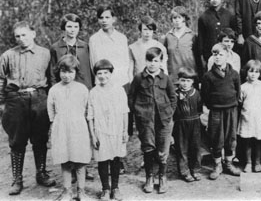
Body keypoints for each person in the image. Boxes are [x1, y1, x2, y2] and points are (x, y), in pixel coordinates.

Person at [0, 21, 55, 195]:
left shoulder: (45, 54)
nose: (21, 39)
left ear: (33, 34)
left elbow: (52, 78)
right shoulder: (8, 55)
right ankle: (17, 179)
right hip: (16, 100)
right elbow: (0, 80)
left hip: (39, 98)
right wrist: (2, 104)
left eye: (24, 35)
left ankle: (41, 172)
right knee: (17, 141)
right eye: (17, 36)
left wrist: (53, 102)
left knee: (40, 138)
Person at [129, 47, 176, 194]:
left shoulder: (165, 78)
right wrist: (139, 113)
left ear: (161, 62)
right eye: (150, 61)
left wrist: (168, 113)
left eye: (156, 61)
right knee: (148, 148)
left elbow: (173, 98)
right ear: (146, 61)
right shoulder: (138, 78)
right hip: (146, 120)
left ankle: (162, 177)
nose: (152, 64)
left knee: (163, 150)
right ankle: (149, 177)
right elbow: (131, 98)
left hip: (164, 120)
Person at [47, 55, 91, 200]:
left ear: (76, 72)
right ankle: (67, 191)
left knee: (80, 160)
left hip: (78, 127)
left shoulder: (82, 89)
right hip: (61, 127)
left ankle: (81, 191)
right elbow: (51, 110)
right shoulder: (54, 90)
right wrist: (54, 124)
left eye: (70, 72)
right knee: (65, 159)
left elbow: (87, 109)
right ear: (58, 71)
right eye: (63, 72)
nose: (66, 75)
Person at [88, 59, 129, 200]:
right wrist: (93, 136)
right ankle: (105, 188)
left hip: (116, 129)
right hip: (100, 131)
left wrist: (125, 131)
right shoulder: (93, 92)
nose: (102, 76)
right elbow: (90, 116)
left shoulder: (119, 90)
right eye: (99, 73)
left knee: (116, 159)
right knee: (102, 160)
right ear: (96, 75)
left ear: (111, 73)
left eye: (106, 72)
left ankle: (115, 188)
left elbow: (125, 111)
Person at [201, 43, 241, 180]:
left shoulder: (234, 74)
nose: (218, 57)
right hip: (216, 111)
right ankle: (218, 164)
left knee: (230, 137)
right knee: (217, 137)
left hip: (231, 110)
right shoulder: (208, 76)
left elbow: (238, 91)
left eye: (221, 54)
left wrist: (231, 103)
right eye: (215, 54)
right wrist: (213, 105)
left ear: (227, 56)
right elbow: (205, 95)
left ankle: (229, 163)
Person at [238, 60, 261, 173]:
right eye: (251, 71)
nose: (253, 74)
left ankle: (257, 162)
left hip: (259, 117)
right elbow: (240, 101)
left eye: (256, 72)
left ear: (260, 73)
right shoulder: (243, 87)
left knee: (258, 141)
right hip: (247, 117)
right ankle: (248, 162)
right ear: (246, 72)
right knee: (247, 141)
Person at [173, 67, 203, 182]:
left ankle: (195, 169)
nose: (185, 83)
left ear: (193, 81)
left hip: (194, 122)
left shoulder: (196, 94)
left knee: (195, 147)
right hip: (180, 124)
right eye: (183, 80)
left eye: (188, 81)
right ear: (179, 80)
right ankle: (184, 171)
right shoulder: (175, 94)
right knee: (182, 148)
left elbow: (199, 108)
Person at [198, 0, 237, 70]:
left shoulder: (229, 15)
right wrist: (202, 59)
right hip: (209, 56)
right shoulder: (203, 17)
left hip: (226, 57)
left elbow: (234, 37)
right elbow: (201, 40)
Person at [50, 13, 93, 89]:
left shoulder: (85, 47)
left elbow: (89, 70)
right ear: (64, 28)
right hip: (63, 89)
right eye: (69, 26)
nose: (73, 30)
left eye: (76, 27)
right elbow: (52, 74)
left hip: (84, 88)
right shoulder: (56, 48)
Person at [164, 7, 197, 84]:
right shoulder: (168, 36)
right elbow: (165, 57)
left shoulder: (192, 35)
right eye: (174, 17)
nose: (177, 20)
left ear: (184, 18)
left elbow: (198, 57)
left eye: (179, 17)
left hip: (189, 77)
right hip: (173, 78)